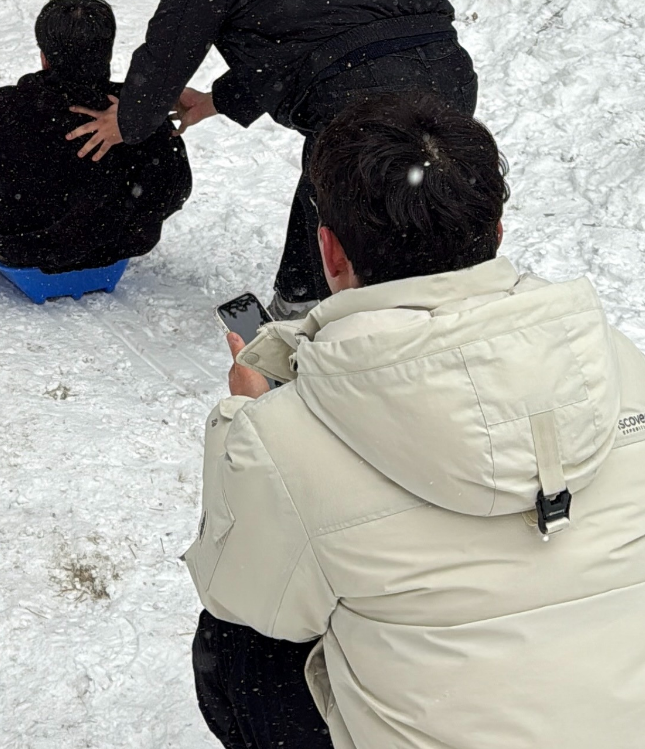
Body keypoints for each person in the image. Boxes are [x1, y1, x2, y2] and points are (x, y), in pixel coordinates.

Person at [185, 93, 645, 749]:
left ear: (330, 253)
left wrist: (247, 423)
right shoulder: (618, 361)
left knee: (239, 641)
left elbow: (240, 593)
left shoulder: (282, 438)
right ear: (497, 236)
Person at [67, 0, 477, 317]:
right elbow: (308, 38)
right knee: (414, 186)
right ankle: (429, 304)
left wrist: (131, 119)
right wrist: (215, 100)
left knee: (339, 199)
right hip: (446, 66)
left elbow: (174, 41)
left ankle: (308, 316)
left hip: (361, 85)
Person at [0, 0, 191, 273]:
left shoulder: (2, 112)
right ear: (107, 52)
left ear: (45, 55)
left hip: (17, 247)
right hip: (112, 248)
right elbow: (176, 193)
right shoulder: (139, 116)